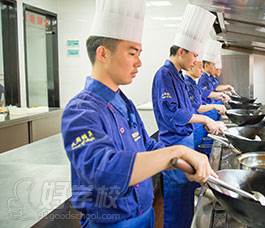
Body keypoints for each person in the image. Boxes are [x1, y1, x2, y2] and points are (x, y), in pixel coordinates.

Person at [61, 1, 216, 227]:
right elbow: (106, 172)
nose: (139, 62)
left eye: (139, 53)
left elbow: (148, 147)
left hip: (145, 216)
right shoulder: (80, 111)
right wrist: (179, 150)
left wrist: (189, 166)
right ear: (103, 53)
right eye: (132, 53)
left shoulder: (125, 103)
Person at [151, 4, 226, 228]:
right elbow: (174, 114)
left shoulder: (178, 75)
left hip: (185, 142)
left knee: (185, 198)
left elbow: (191, 107)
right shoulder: (164, 75)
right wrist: (205, 119)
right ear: (181, 51)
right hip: (174, 144)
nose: (196, 62)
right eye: (194, 55)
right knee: (176, 203)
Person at [184, 59, 226, 153]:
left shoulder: (192, 83)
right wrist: (213, 109)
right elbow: (198, 107)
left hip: (198, 124)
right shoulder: (187, 84)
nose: (202, 70)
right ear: (191, 67)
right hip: (193, 127)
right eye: (200, 67)